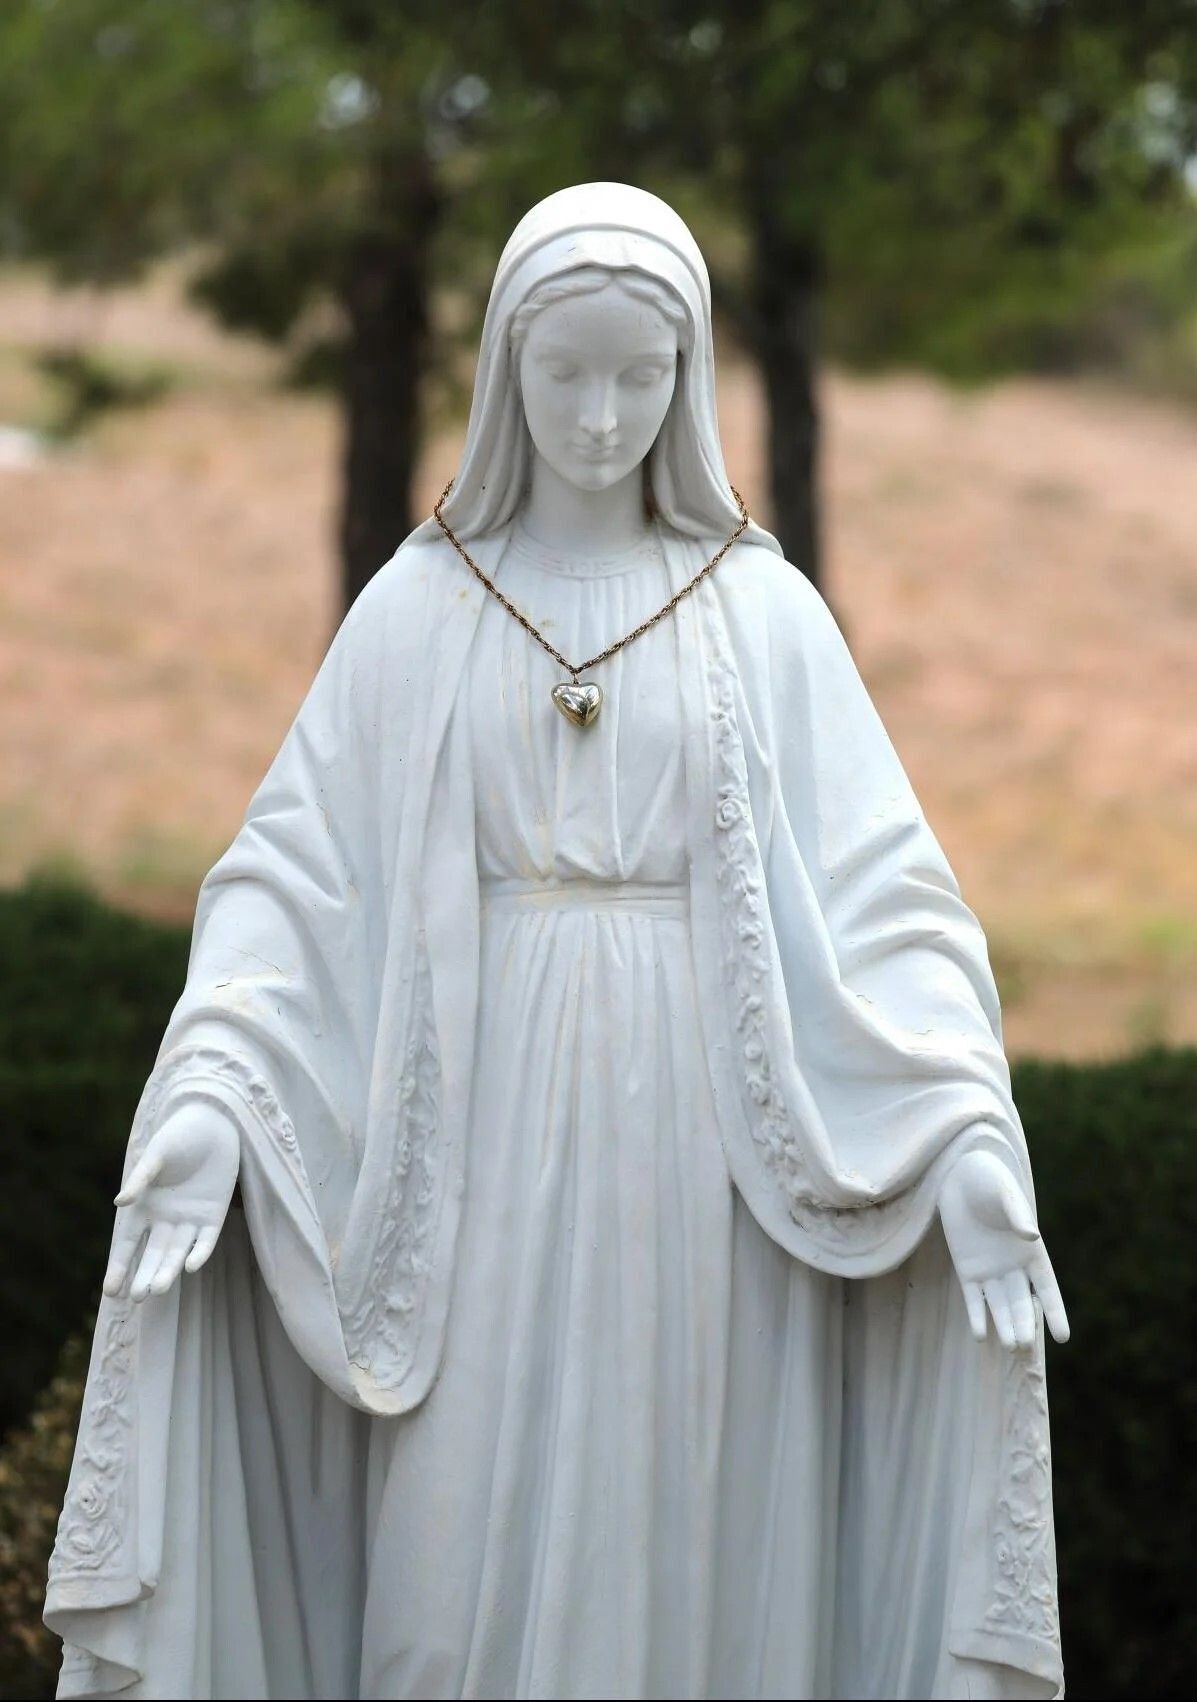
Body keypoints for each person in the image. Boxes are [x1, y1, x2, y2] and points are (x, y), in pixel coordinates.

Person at [46, 183, 1067, 1700]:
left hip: (712, 1148)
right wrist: (212, 1096)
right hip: (471, 1143)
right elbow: (291, 880)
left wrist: (964, 1134)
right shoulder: (421, 603)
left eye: (638, 375)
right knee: (446, 1561)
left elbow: (887, 904)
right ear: (503, 376)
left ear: (688, 380)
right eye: (564, 372)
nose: (600, 416)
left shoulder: (760, 614)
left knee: (698, 1525)